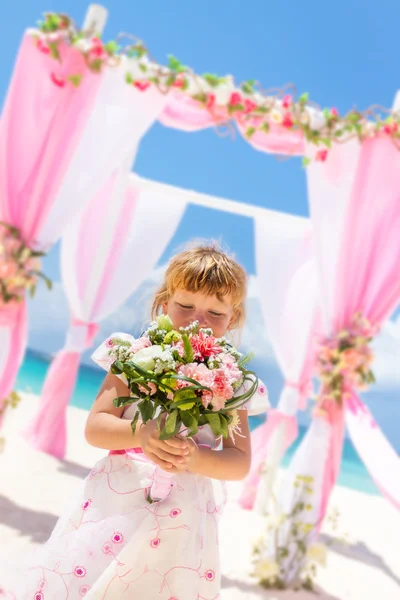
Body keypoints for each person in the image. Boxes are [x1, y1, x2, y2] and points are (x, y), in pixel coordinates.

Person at [8, 243, 269, 599]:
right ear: (164, 303)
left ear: (233, 318)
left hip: (181, 515)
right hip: (116, 499)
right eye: (185, 306)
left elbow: (239, 462)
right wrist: (142, 433)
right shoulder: (134, 356)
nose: (198, 320)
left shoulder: (233, 380)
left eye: (215, 313)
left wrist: (195, 458)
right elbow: (96, 426)